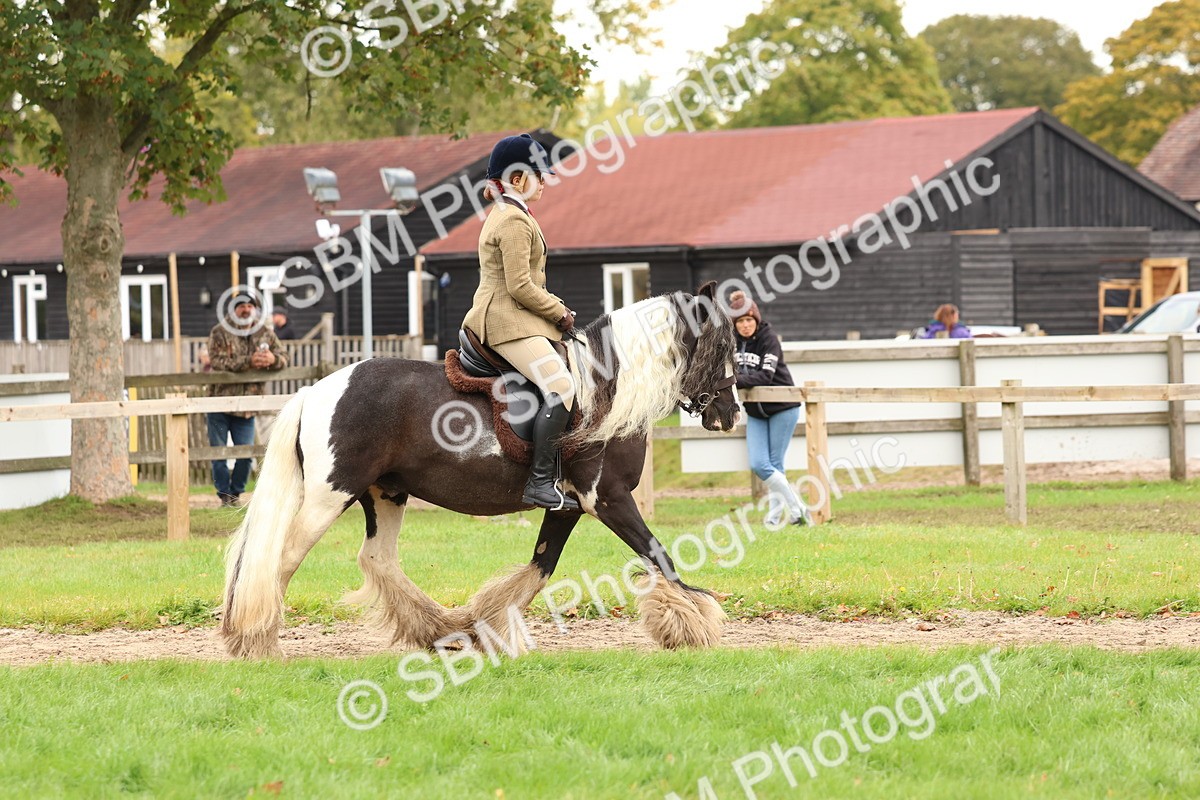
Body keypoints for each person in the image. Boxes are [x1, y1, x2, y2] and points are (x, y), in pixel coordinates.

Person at [462, 133, 579, 511]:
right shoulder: (513, 220)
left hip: (514, 317)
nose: (544, 181)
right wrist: (559, 312)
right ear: (516, 179)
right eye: (538, 175)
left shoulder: (512, 214)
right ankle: (540, 483)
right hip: (504, 321)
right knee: (561, 386)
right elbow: (520, 286)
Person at [729, 291, 811, 527]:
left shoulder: (769, 338)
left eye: (749, 320)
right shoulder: (731, 343)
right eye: (740, 321)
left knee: (773, 464)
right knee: (760, 464)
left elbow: (766, 375)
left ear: (756, 319)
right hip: (755, 411)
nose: (745, 326)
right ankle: (796, 510)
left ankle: (778, 518)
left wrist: (734, 380)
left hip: (783, 408)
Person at [206, 294, 289, 506]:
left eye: (249, 306)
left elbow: (285, 356)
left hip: (248, 405)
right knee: (219, 452)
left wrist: (274, 359)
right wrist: (248, 362)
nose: (245, 309)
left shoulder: (264, 333)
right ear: (234, 310)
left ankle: (236, 493)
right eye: (241, 306)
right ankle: (224, 495)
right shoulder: (220, 332)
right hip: (220, 400)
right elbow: (216, 361)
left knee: (245, 453)